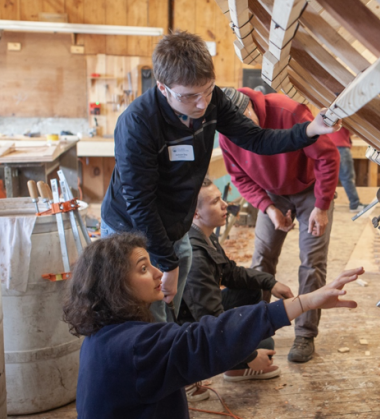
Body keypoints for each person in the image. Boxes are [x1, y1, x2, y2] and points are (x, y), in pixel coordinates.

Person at [99, 31, 340, 323]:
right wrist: (167, 264)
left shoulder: (212, 101)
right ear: (162, 88)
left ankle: (174, 358)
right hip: (132, 228)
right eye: (189, 96)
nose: (202, 104)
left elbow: (257, 139)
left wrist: (309, 131)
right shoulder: (137, 123)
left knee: (169, 310)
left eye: (208, 90)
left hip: (174, 225)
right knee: (144, 314)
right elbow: (140, 202)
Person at [62, 233, 363, 419]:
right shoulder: (138, 346)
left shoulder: (100, 335)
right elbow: (207, 339)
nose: (157, 273)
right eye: (143, 268)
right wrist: (305, 302)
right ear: (116, 286)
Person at [219, 87, 339, 363]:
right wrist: (267, 207)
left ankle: (305, 333)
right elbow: (238, 176)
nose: (241, 132)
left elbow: (327, 157)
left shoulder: (288, 111)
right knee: (262, 259)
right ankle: (257, 328)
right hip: (272, 192)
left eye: (244, 123)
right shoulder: (226, 135)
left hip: (310, 188)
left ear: (249, 108)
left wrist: (321, 206)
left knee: (312, 260)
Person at [180, 177, 294, 383]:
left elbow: (233, 274)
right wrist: (248, 356)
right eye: (215, 202)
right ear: (196, 213)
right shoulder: (195, 256)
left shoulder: (205, 235)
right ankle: (235, 366)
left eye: (220, 199)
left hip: (202, 314)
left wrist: (270, 282)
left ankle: (235, 358)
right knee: (264, 344)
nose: (225, 204)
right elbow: (209, 320)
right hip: (189, 329)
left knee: (252, 289)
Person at [329, 127, 365, 212]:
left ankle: (326, 205)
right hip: (341, 147)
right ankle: (355, 204)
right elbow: (352, 131)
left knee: (328, 177)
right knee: (347, 178)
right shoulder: (343, 115)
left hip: (329, 145)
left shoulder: (326, 114)